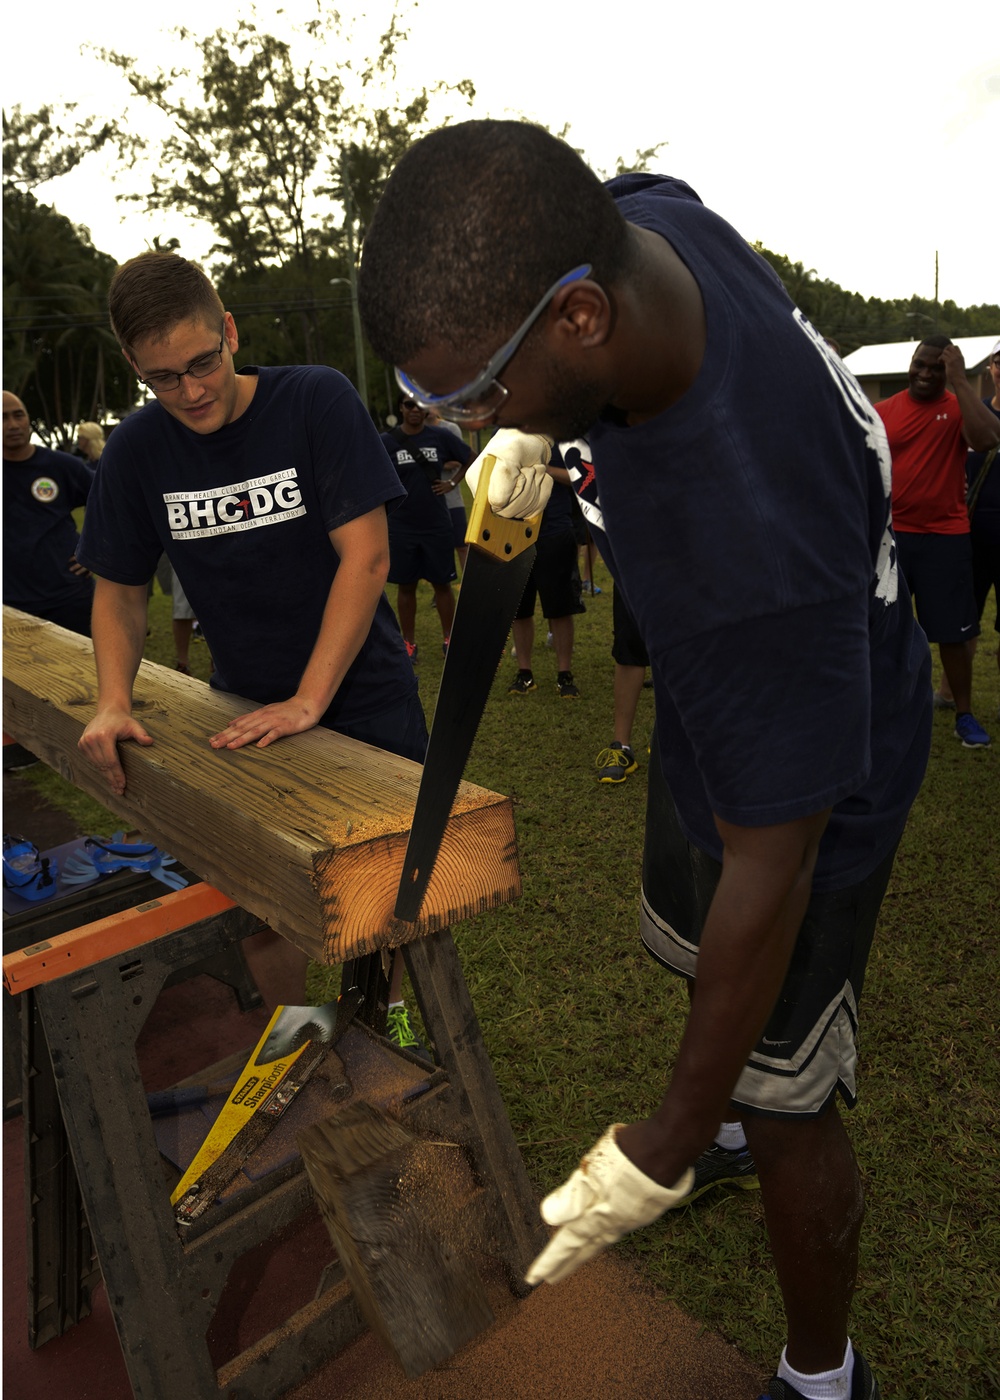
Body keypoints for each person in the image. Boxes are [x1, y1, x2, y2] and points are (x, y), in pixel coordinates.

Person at [358, 119, 935, 1400]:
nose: (451, 427)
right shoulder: (647, 229)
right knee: (708, 968)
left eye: (465, 397)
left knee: (786, 1092)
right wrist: (520, 430)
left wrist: (664, 1131)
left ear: (575, 320)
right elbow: (610, 195)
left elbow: (772, 865)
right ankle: (728, 1104)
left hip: (817, 761)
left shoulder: (750, 544)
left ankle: (820, 1372)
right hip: (728, 709)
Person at [75, 252, 427, 1046]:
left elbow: (366, 556)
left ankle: (384, 1022)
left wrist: (310, 699)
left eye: (204, 362)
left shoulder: (314, 400)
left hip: (363, 697)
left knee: (385, 899)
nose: (191, 391)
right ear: (134, 366)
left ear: (230, 330)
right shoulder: (137, 451)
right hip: (241, 707)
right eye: (164, 377)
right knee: (262, 905)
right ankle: (300, 1042)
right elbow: (121, 591)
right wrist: (112, 699)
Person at [875, 337, 1000, 748]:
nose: (925, 373)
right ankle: (882, 708)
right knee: (883, 627)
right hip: (893, 537)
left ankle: (963, 714)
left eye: (936, 368)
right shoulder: (884, 410)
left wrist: (961, 382)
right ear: (910, 363)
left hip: (946, 537)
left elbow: (986, 440)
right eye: (920, 365)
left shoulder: (958, 405)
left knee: (954, 631)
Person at [561, 438, 649, 781]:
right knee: (629, 652)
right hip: (633, 559)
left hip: (685, 553)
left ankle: (684, 737)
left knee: (686, 650)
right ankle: (621, 745)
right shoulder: (602, 432)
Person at [935, 339, 1000, 715]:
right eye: (997, 360)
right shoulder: (971, 414)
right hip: (971, 534)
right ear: (990, 367)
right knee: (964, 620)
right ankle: (946, 693)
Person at [380, 395, 472, 659]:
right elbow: (371, 469)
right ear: (401, 407)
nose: (415, 411)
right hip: (401, 525)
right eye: (409, 405)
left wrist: (453, 483)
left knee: (442, 584)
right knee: (406, 586)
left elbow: (470, 456)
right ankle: (408, 644)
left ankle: (449, 638)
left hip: (436, 524)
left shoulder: (439, 437)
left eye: (420, 406)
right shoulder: (387, 441)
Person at [3, 389, 95, 636]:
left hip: (69, 598)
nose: (12, 425)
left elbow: (114, 501)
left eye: (18, 415)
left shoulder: (62, 466)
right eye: (3, 418)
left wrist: (98, 549)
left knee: (82, 673)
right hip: (8, 606)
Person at [507, 446, 584, 698]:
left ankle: (564, 674)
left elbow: (579, 476)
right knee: (520, 608)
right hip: (515, 532)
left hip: (554, 532)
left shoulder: (559, 437)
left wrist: (545, 469)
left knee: (560, 608)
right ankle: (524, 673)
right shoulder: (506, 435)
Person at [426, 407, 472, 575]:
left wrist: (434, 464)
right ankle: (439, 589)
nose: (427, 408)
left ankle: (470, 588)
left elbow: (459, 460)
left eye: (431, 403)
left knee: (462, 545)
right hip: (427, 501)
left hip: (452, 499)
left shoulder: (450, 429)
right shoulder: (414, 432)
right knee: (434, 548)